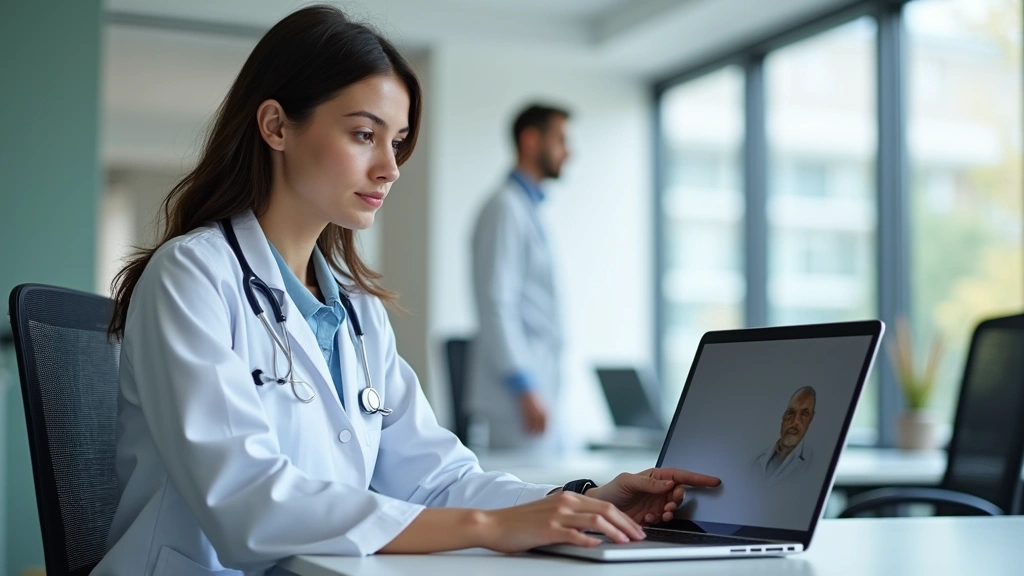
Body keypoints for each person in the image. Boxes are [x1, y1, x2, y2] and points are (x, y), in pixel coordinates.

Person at [94, 6, 720, 575]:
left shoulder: (358, 314)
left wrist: (581, 501)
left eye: (396, 142)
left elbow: (436, 479)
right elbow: (249, 503)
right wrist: (494, 527)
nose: (390, 167)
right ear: (276, 126)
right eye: (364, 135)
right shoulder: (190, 277)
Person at [468, 103, 571, 451]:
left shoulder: (528, 209)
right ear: (530, 140)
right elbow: (497, 304)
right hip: (517, 400)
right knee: (530, 497)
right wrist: (525, 387)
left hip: (538, 389)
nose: (568, 151)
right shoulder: (505, 208)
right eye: (560, 139)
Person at [752, 386, 817, 484]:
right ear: (783, 416)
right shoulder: (759, 459)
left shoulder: (813, 464)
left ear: (811, 418)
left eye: (804, 414)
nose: (795, 421)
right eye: (791, 413)